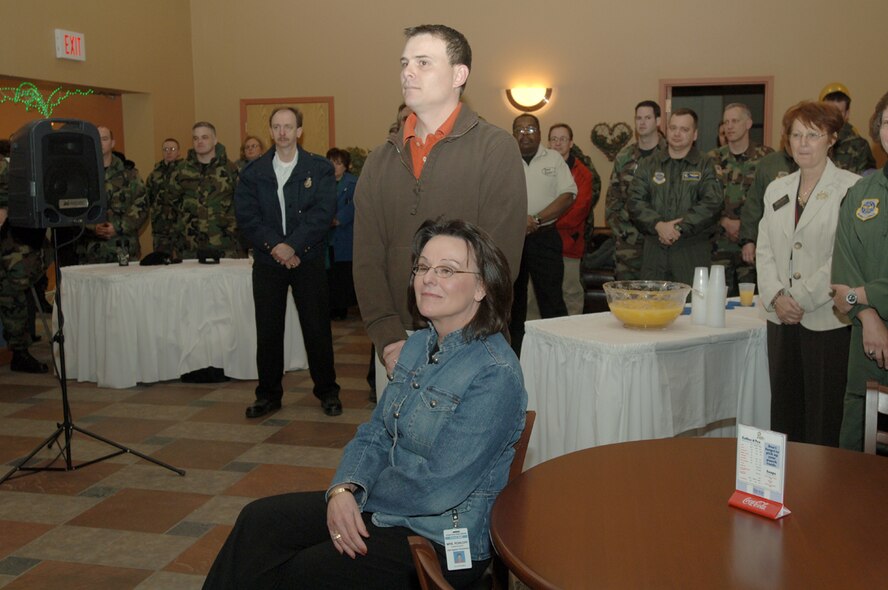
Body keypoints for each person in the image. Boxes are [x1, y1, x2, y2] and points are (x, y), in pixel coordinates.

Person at [203, 219, 528, 590]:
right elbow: (375, 433)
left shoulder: (494, 374)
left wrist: (360, 497)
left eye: (447, 270)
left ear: (482, 287)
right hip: (384, 505)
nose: (428, 278)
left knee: (301, 572)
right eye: (422, 267)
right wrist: (344, 488)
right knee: (258, 522)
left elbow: (437, 486)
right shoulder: (420, 345)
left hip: (440, 536)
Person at [353, 24, 526, 396]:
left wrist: (456, 342)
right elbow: (366, 259)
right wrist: (387, 340)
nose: (407, 72)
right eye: (404, 63)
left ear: (458, 75)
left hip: (473, 344)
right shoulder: (380, 161)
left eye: (423, 62)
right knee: (396, 452)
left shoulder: (495, 149)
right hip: (398, 346)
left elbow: (500, 259)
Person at [756, 101, 859, 446]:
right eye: (796, 134)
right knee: (785, 413)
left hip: (826, 319)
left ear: (831, 139)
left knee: (824, 415)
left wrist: (797, 298)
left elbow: (841, 256)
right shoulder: (777, 189)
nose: (802, 143)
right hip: (781, 319)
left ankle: (823, 494)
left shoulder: (850, 189)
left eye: (812, 135)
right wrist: (776, 296)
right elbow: (765, 250)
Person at [236, 107, 342, 418]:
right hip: (269, 263)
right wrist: (276, 247)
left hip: (307, 260)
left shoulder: (319, 168)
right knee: (268, 331)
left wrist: (293, 245)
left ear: (299, 132)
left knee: (317, 328)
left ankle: (328, 391)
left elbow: (323, 213)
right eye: (277, 127)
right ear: (270, 131)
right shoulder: (253, 172)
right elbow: (247, 217)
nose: (283, 132)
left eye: (289, 127)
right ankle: (267, 394)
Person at [830, 90, 888, 451]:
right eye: (887, 122)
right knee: (863, 441)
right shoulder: (862, 191)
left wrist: (867, 295)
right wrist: (867, 315)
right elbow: (844, 260)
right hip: (868, 342)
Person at [626, 108, 722, 285]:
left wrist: (679, 228)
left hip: (691, 248)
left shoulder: (706, 164)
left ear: (694, 135)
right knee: (653, 306)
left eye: (684, 130)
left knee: (692, 307)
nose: (677, 133)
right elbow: (635, 201)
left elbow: (712, 203)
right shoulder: (649, 164)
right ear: (667, 130)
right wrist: (658, 225)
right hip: (655, 247)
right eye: (673, 128)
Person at [508, 114, 575, 355]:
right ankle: (515, 357)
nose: (525, 134)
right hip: (512, 239)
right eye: (520, 129)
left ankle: (560, 354)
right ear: (513, 133)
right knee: (512, 303)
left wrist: (535, 219)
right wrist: (518, 220)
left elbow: (567, 195)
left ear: (539, 131)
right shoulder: (504, 158)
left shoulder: (554, 159)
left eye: (530, 129)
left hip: (544, 237)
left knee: (552, 299)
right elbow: (493, 196)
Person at [707, 103, 773, 294]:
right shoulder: (711, 159)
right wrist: (723, 220)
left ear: (748, 123)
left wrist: (745, 225)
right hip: (718, 244)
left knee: (752, 303)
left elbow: (771, 200)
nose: (729, 126)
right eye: (726, 122)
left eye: (735, 121)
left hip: (753, 245)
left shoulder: (766, 158)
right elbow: (703, 198)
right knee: (718, 300)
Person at [0, 147, 48, 373]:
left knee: (13, 297)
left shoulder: (6, 168)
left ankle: (19, 352)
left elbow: (16, 200)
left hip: (10, 247)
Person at [606, 100, 666, 280]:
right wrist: (624, 234)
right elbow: (612, 201)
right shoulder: (624, 156)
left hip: (661, 241)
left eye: (647, 117)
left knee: (659, 299)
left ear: (658, 121)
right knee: (627, 299)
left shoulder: (670, 154)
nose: (642, 122)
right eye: (638, 118)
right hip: (628, 244)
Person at [168, 121, 242, 259]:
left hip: (224, 245)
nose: (199, 141)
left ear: (215, 140)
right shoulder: (181, 171)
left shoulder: (231, 169)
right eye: (195, 138)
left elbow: (241, 204)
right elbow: (172, 205)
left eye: (204, 137)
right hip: (189, 247)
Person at [77, 126, 148, 264]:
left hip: (123, 248)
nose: (100, 143)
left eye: (104, 139)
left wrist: (118, 227)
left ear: (112, 143)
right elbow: (75, 208)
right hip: (92, 252)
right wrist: (93, 227)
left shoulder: (129, 174)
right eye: (96, 139)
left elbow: (142, 206)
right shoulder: (82, 175)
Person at [548, 123, 594, 315]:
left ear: (571, 143)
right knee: (534, 294)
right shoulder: (539, 168)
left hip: (569, 244)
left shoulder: (582, 173)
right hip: (540, 243)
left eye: (563, 139)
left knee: (571, 291)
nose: (558, 143)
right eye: (554, 139)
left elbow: (577, 210)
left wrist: (542, 221)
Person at [326, 147, 358, 320]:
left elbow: (355, 205)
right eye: (331, 163)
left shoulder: (353, 183)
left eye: (338, 163)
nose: (334, 167)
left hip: (345, 233)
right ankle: (330, 306)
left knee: (343, 273)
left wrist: (338, 219)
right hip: (327, 237)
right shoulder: (324, 182)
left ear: (345, 166)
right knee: (329, 273)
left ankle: (342, 308)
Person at [820, 83, 877, 175]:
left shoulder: (859, 145)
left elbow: (867, 182)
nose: (833, 116)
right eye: (828, 110)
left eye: (838, 112)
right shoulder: (808, 139)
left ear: (847, 114)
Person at [146, 137, 181, 254]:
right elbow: (147, 199)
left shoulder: (185, 172)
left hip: (181, 227)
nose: (169, 152)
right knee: (161, 262)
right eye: (165, 149)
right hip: (160, 228)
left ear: (178, 152)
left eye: (172, 149)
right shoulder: (154, 175)